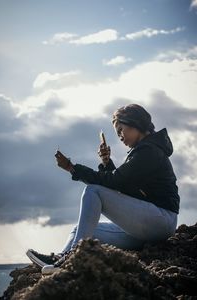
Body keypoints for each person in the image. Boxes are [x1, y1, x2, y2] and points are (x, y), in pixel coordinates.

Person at [26, 103, 180, 275]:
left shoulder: (149, 151)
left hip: (160, 221)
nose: (120, 136)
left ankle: (72, 259)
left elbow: (115, 181)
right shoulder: (144, 151)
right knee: (81, 229)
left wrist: (72, 167)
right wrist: (107, 163)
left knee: (93, 191)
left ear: (135, 122)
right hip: (148, 227)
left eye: (121, 129)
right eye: (117, 133)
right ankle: (60, 260)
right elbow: (124, 187)